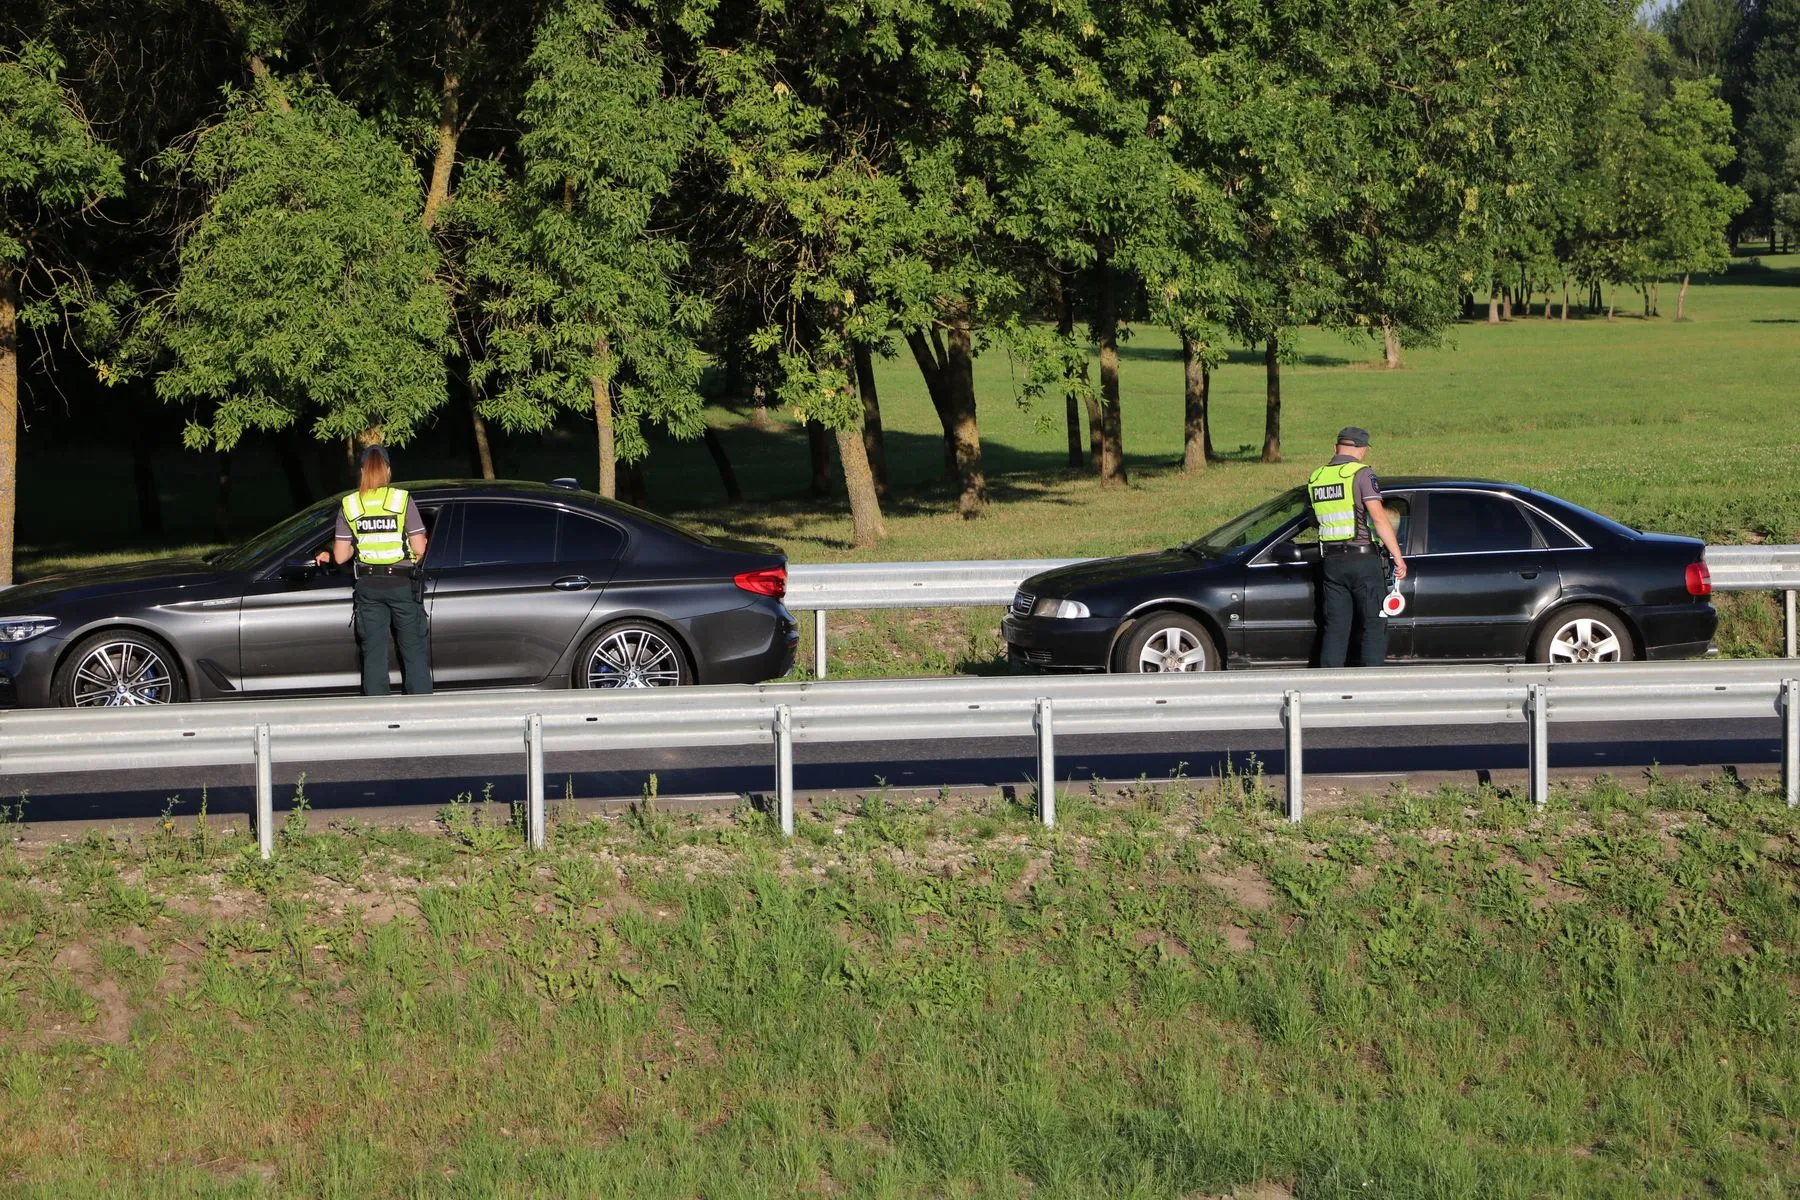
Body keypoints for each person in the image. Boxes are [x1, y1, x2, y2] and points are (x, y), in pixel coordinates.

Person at [315, 445, 433, 695]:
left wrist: (356, 547)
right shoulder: (401, 500)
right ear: (387, 470)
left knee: (374, 657)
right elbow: (420, 548)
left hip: (368, 587)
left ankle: (378, 714)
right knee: (414, 654)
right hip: (402, 585)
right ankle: (421, 713)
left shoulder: (350, 504)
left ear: (362, 471)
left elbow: (341, 555)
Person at [1307, 427, 1406, 668]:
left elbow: (1313, 520)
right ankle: (1370, 683)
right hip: (1362, 561)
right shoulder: (1362, 474)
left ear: (1336, 447)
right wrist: (1398, 557)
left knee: (1336, 627)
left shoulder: (1317, 477)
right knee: (1374, 623)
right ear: (1361, 449)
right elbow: (1379, 518)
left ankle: (1330, 682)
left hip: (1331, 563)